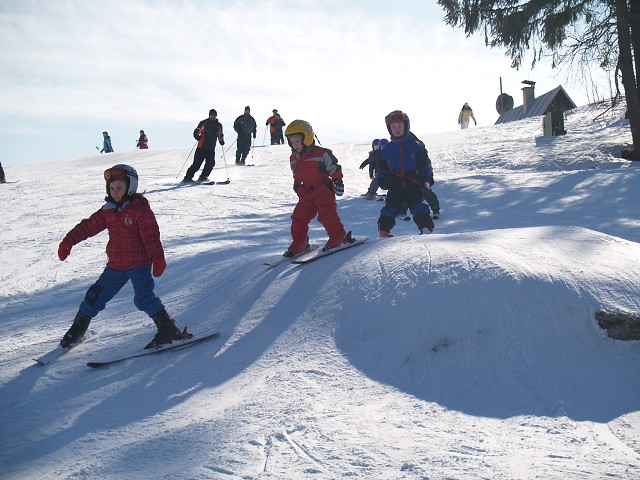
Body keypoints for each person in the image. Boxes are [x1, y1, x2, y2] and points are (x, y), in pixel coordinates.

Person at [57, 164, 192, 350]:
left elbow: (151, 235)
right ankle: (76, 332)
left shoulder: (140, 211)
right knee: (94, 296)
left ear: (131, 187)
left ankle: (168, 329)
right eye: (112, 188)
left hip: (138, 264)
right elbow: (88, 226)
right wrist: (69, 240)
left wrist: (157, 257)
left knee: (143, 298)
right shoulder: (108, 210)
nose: (115, 192)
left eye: (119, 188)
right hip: (115, 267)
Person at [283, 119, 354, 257]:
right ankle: (300, 243)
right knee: (298, 217)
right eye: (291, 142)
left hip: (323, 190)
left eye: (297, 141)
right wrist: (297, 185)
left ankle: (339, 237)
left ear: (307, 138)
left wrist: (338, 181)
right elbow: (297, 174)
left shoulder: (321, 153)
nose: (294, 144)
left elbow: (334, 167)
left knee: (326, 215)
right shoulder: (293, 157)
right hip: (306, 192)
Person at [376, 110, 435, 236]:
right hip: (395, 182)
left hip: (412, 180)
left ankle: (425, 228)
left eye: (399, 126)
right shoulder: (387, 149)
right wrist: (383, 178)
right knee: (391, 206)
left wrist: (425, 178)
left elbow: (425, 163)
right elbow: (382, 167)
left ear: (406, 126)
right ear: (389, 128)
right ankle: (384, 231)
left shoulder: (415, 145)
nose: (396, 129)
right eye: (393, 127)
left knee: (418, 205)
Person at [183, 109, 225, 183]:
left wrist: (221, 140)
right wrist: (197, 136)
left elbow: (220, 134)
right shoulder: (204, 123)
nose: (213, 116)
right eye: (211, 115)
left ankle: (203, 177)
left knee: (211, 163)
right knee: (196, 164)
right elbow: (197, 131)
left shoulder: (218, 125)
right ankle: (188, 177)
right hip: (201, 147)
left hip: (211, 148)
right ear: (209, 115)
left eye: (214, 115)